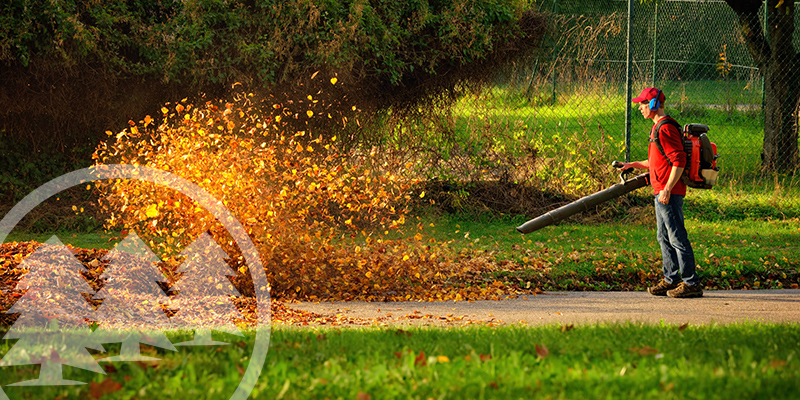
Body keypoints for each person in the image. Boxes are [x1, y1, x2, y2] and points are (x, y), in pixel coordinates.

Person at [619, 87, 702, 298]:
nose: (639, 108)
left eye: (643, 104)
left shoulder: (665, 128)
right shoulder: (658, 128)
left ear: (654, 104)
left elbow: (679, 161)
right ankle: (670, 279)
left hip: (669, 193)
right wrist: (633, 164)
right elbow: (658, 161)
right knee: (663, 237)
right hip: (662, 191)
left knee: (677, 237)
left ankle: (691, 283)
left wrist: (667, 189)